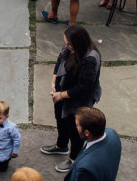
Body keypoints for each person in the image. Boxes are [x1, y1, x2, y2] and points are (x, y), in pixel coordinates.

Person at [40, 25, 102, 174]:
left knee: (75, 129)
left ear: (78, 43)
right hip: (62, 93)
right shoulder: (69, 47)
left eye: (69, 44)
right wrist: (54, 82)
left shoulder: (90, 58)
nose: (66, 46)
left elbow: (84, 87)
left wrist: (61, 95)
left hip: (78, 100)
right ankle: (61, 145)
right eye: (66, 43)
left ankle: (74, 158)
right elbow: (60, 61)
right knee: (60, 118)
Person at [64, 107, 121, 181]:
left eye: (77, 125)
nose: (76, 128)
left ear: (87, 133)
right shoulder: (112, 133)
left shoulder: (84, 169)